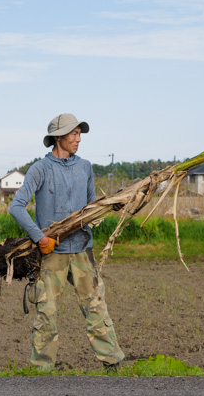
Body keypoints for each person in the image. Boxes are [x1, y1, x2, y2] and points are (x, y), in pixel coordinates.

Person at [8, 113, 124, 373]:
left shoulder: (85, 167)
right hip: (52, 255)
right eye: (73, 134)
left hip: (83, 250)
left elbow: (93, 207)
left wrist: (112, 206)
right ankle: (40, 371)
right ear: (58, 137)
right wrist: (40, 238)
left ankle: (114, 367)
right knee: (46, 313)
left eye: (79, 134)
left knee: (96, 309)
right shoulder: (40, 169)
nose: (78, 139)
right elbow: (16, 207)